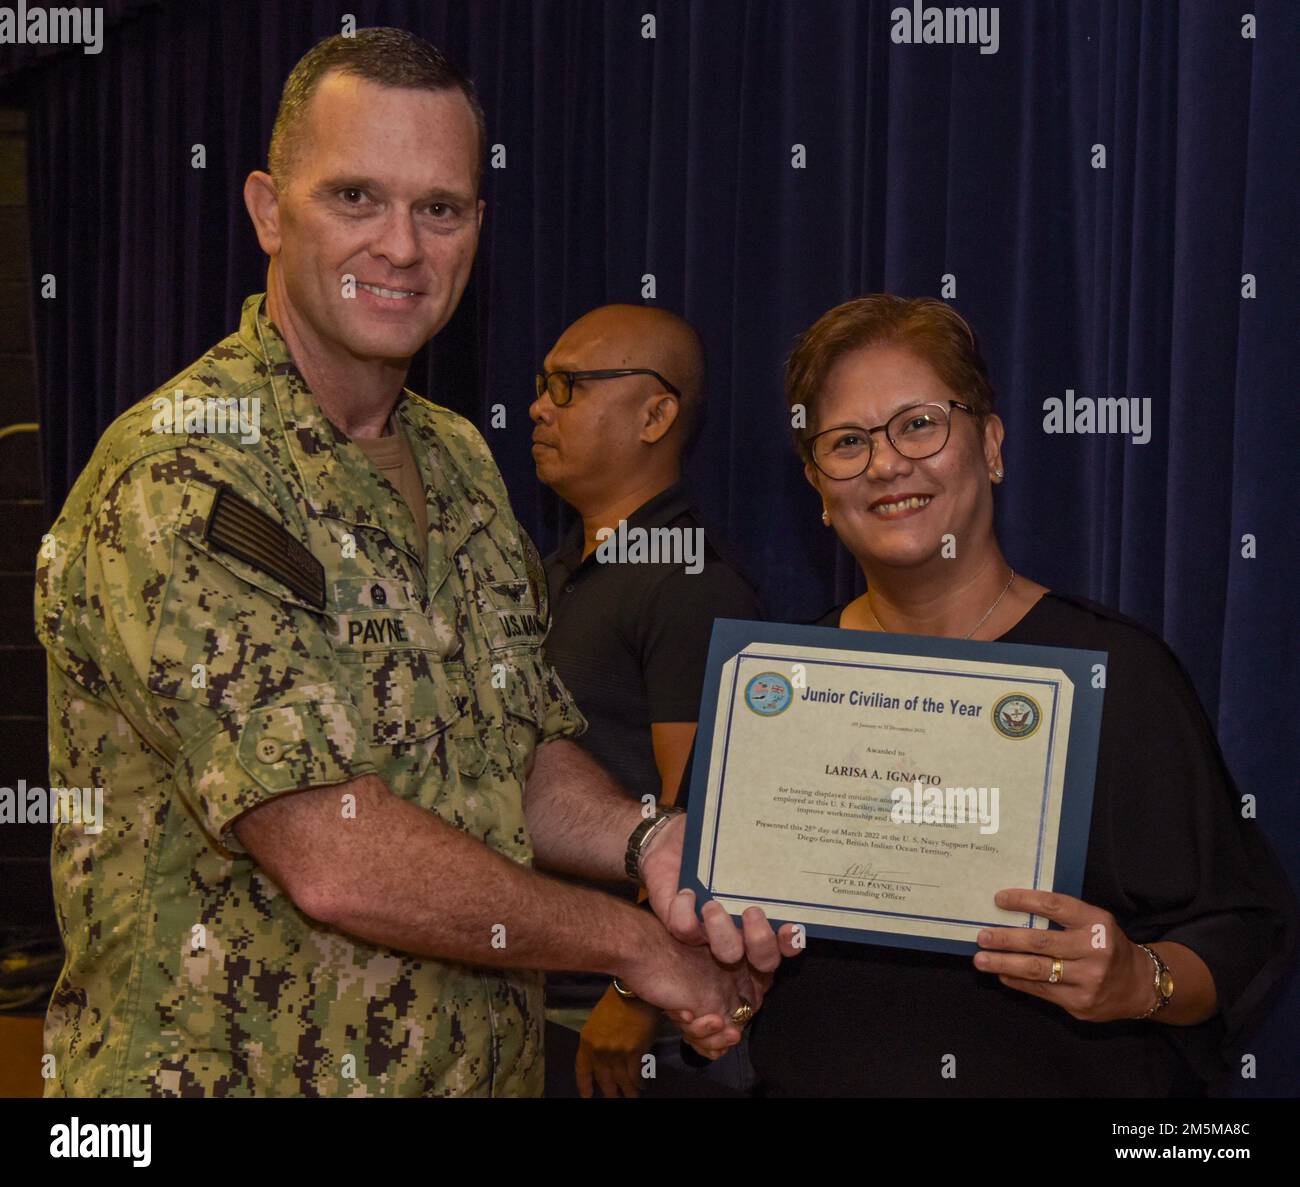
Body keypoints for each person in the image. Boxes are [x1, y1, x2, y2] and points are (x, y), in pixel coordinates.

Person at [32, 28, 788, 1098]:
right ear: (264, 209)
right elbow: (332, 850)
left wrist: (644, 839)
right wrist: (634, 944)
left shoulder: (462, 459)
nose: (401, 245)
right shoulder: (186, 475)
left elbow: (511, 748)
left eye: (438, 207)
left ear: (475, 226)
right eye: (354, 197)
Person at [741, 294, 1297, 1096]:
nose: (888, 463)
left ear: (992, 446)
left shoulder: (1116, 672)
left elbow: (1242, 927)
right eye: (848, 442)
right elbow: (708, 924)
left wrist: (1142, 981)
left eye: (920, 423)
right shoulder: (783, 688)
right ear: (818, 489)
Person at [530, 305, 764, 1097]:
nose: (537, 406)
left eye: (568, 386)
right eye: (540, 385)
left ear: (657, 414)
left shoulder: (689, 584)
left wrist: (634, 991)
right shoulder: (549, 572)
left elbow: (703, 813)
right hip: (528, 995)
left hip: (622, 1022)